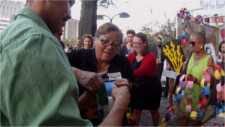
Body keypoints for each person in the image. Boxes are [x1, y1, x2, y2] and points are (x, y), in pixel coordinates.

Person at [0, 0, 131, 126]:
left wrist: (76, 73)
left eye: (116, 44)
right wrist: (120, 102)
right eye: (70, 2)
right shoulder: (37, 40)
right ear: (95, 41)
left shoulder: (13, 35)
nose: (70, 15)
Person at [67, 23, 135, 126]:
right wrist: (77, 73)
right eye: (105, 41)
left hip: (116, 118)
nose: (110, 47)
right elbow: (51, 63)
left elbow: (136, 85)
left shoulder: (122, 62)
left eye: (116, 44)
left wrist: (129, 84)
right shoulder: (78, 57)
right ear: (95, 40)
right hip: (81, 120)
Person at [127, 32, 162, 126]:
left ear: (144, 43)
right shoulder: (131, 55)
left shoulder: (150, 57)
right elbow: (123, 65)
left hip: (151, 87)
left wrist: (125, 77)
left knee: (153, 110)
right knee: (136, 110)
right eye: (134, 43)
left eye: (138, 43)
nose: (135, 45)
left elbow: (140, 72)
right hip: (137, 87)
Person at [180, 32, 214, 126]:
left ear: (201, 44)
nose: (191, 46)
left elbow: (210, 84)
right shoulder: (192, 54)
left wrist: (195, 80)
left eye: (193, 43)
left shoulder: (209, 60)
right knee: (183, 117)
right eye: (190, 43)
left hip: (200, 97)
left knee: (196, 122)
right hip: (188, 94)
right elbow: (186, 65)